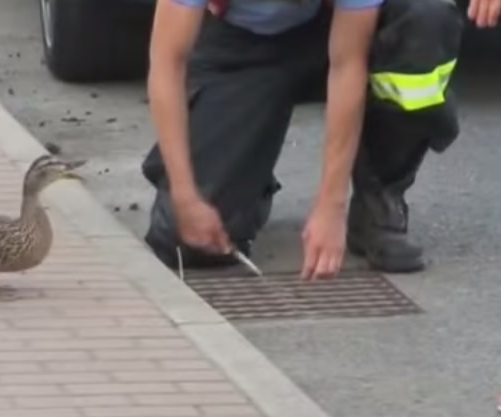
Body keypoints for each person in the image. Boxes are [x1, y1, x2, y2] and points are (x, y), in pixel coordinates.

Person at [141, 0, 498, 280]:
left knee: (424, 15)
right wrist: (186, 194)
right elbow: (166, 62)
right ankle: (240, 170)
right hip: (239, 45)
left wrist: (331, 206)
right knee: (188, 241)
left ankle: (378, 201)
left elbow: (347, 66)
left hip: (330, 34)